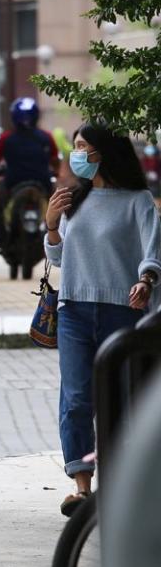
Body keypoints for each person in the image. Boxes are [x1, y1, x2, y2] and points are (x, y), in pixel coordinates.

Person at [43, 123, 161, 517]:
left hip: (122, 311)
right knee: (76, 398)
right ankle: (81, 486)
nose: (76, 154)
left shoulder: (138, 200)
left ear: (105, 153)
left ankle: (123, 484)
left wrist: (146, 279)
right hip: (74, 309)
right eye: (75, 147)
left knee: (125, 399)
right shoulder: (75, 198)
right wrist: (52, 226)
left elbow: (153, 251)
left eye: (82, 147)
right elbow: (59, 260)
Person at [0, 97, 61, 250]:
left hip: (13, 183)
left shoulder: (5, 138)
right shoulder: (46, 137)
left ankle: (0, 238)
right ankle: (55, 237)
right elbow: (55, 162)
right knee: (63, 204)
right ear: (37, 116)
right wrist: (55, 172)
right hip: (43, 183)